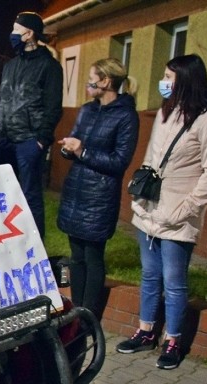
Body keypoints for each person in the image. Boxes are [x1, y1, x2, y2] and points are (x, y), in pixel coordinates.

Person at [116, 54, 207, 370]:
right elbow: (152, 158)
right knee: (149, 275)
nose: (162, 82)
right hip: (149, 211)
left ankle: (173, 340)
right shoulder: (167, 112)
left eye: (168, 76)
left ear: (186, 80)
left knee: (174, 280)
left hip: (178, 216)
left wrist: (184, 209)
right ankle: (146, 331)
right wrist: (139, 195)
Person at [56, 58, 140, 317]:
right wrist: (68, 149)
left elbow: (119, 161)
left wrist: (82, 151)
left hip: (99, 197)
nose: (87, 83)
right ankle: (77, 311)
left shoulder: (126, 115)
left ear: (105, 81)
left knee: (93, 256)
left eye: (92, 77)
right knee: (76, 256)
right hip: (76, 192)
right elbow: (77, 141)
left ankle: (89, 315)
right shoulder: (87, 110)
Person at [0, 11, 63, 239]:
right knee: (3, 194)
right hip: (3, 139)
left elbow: (53, 107)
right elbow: (2, 98)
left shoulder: (49, 67)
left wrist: (41, 140)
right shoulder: (10, 65)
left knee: (30, 196)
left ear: (29, 33)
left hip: (28, 141)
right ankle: (6, 243)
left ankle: (34, 247)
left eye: (16, 30)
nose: (12, 34)